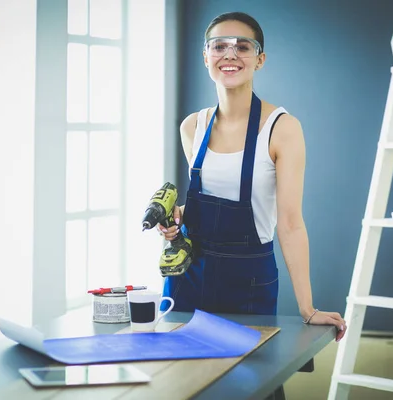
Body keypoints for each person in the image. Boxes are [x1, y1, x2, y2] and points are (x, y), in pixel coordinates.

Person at [158, 11, 347, 343]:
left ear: (259, 59)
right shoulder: (193, 127)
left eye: (242, 46)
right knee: (180, 378)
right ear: (206, 56)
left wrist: (308, 307)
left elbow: (289, 223)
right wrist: (176, 219)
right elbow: (207, 203)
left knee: (249, 384)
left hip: (247, 281)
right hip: (187, 278)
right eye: (219, 46)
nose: (230, 55)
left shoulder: (282, 128)